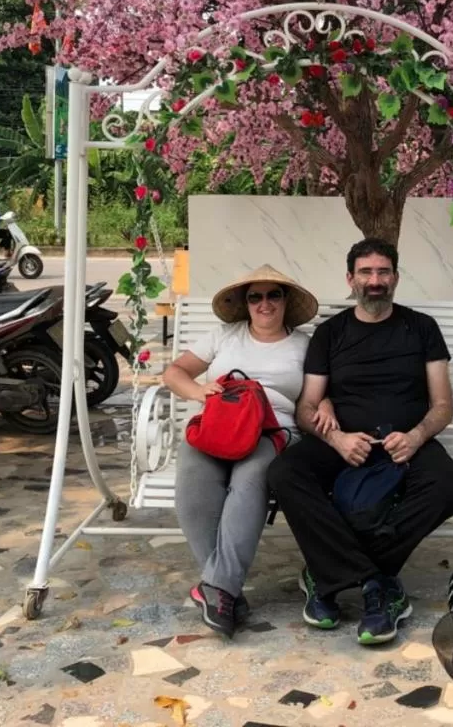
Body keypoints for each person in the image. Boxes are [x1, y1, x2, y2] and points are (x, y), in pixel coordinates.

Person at [268, 237, 453, 646]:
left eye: (383, 272)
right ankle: (378, 584)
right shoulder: (330, 333)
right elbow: (307, 408)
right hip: (345, 442)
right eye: (366, 272)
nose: (375, 281)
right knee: (285, 472)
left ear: (395, 277)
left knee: (446, 488)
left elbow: (443, 405)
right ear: (350, 279)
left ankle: (325, 575)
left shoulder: (422, 328)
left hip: (405, 441)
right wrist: (337, 439)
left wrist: (416, 436)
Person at [161, 264, 318, 637]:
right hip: (220, 425)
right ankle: (223, 589)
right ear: (245, 303)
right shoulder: (224, 336)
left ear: (286, 301)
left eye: (273, 295)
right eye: (255, 297)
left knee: (250, 481)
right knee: (192, 482)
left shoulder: (305, 345)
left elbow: (318, 394)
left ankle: (218, 588)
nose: (265, 303)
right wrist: (200, 391)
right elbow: (174, 372)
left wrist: (322, 408)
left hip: (273, 430)